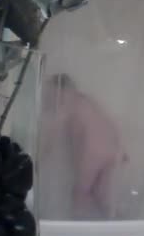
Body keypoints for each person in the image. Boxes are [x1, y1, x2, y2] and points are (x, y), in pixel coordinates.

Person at [40, 73, 128, 219]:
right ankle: (119, 221)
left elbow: (55, 130)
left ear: (62, 90)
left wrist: (42, 154)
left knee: (80, 193)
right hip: (112, 150)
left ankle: (77, 222)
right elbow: (108, 122)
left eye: (52, 93)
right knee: (101, 195)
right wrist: (120, 148)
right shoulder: (85, 100)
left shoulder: (67, 103)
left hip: (93, 153)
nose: (51, 98)